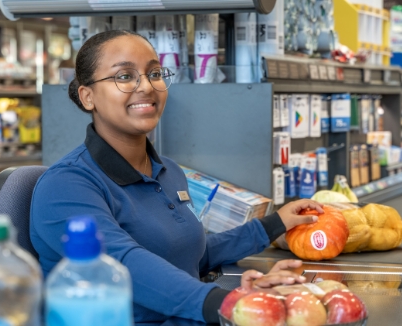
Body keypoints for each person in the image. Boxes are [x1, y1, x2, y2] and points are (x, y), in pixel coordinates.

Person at [30, 29, 324, 324]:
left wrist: (273, 225)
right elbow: (123, 263)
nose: (146, 86)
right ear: (88, 96)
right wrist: (226, 303)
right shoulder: (67, 185)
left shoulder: (169, 172)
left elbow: (188, 253)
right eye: (124, 76)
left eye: (154, 73)